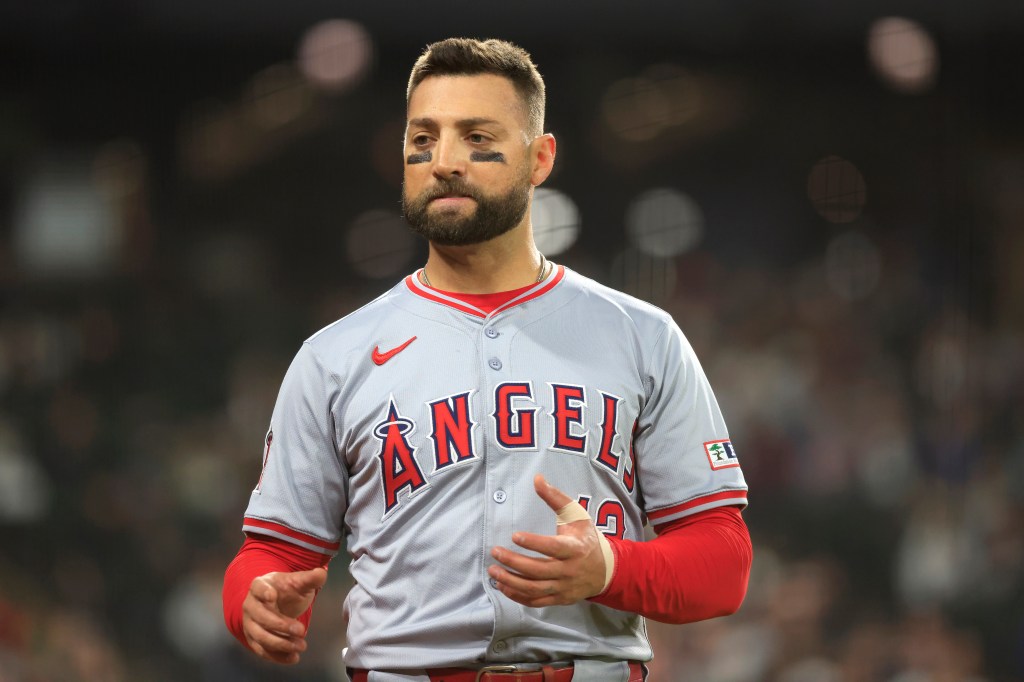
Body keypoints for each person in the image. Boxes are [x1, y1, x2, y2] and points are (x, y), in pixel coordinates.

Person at [223, 37, 752, 682]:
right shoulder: (334, 356)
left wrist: (610, 569)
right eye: (423, 140)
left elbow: (723, 563)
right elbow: (273, 550)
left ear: (540, 158)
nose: (444, 161)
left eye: (477, 138)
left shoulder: (642, 336)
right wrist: (250, 600)